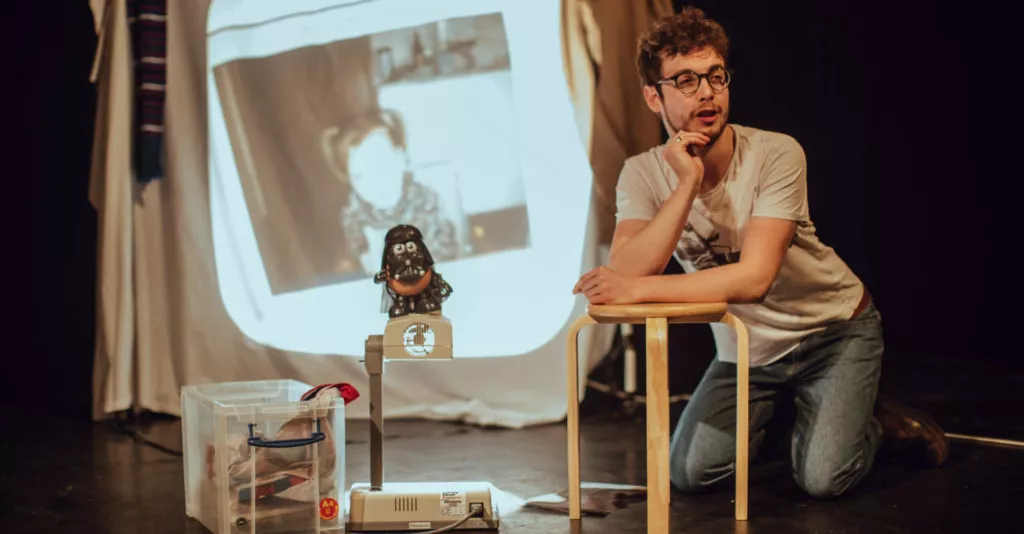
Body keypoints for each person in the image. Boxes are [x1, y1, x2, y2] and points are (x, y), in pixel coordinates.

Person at [572, 7, 948, 499]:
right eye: (685, 80)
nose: (706, 92)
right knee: (690, 473)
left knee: (823, 480)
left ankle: (875, 426)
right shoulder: (641, 174)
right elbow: (624, 271)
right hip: (747, 349)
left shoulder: (776, 153)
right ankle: (794, 417)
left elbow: (753, 279)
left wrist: (638, 288)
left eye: (715, 76)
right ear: (652, 95)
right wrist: (686, 186)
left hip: (832, 331)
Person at [321, 108, 461, 276]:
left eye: (382, 166)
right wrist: (361, 259)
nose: (375, 183)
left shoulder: (426, 203)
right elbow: (357, 255)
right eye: (359, 176)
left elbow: (448, 260)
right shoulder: (354, 213)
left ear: (401, 158)